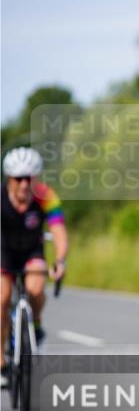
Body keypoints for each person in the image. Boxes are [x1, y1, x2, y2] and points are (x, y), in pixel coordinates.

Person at [1, 147, 68, 389]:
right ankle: (0, 360)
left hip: (32, 252)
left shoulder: (46, 196)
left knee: (36, 288)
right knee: (2, 297)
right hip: (4, 253)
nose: (23, 184)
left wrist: (60, 260)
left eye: (29, 177)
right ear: (9, 178)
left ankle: (36, 327)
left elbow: (58, 231)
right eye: (18, 178)